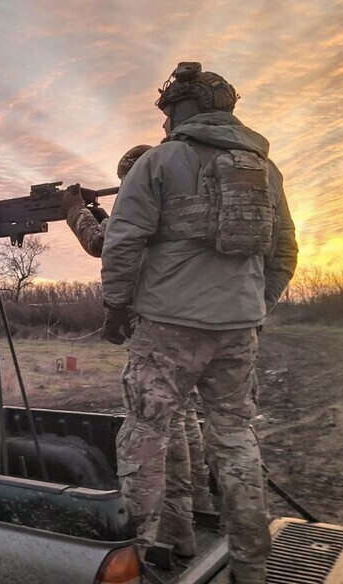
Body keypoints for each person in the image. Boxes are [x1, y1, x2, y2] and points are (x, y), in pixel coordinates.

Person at [100, 62, 298, 584]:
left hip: (167, 326)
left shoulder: (160, 161)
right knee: (235, 438)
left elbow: (122, 242)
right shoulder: (266, 171)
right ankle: (252, 566)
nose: (164, 122)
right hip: (238, 328)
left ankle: (138, 560)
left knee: (146, 433)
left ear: (187, 107)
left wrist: (117, 307)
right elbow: (285, 253)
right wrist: (255, 308)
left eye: (169, 110)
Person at [61, 145, 214, 562]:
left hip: (160, 330)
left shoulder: (147, 195)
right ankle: (189, 527)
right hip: (195, 326)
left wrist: (75, 209)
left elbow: (103, 243)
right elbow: (126, 232)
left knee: (148, 435)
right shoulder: (178, 197)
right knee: (180, 427)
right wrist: (97, 210)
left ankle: (147, 548)